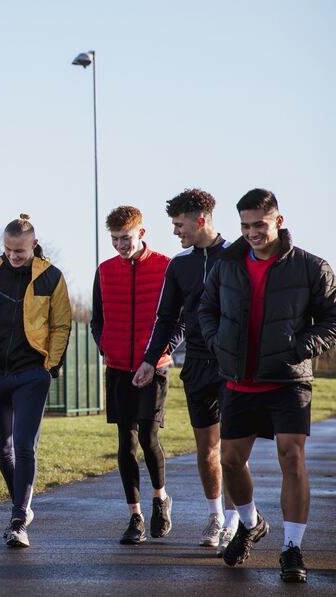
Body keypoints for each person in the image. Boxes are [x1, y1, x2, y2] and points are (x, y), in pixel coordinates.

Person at [198, 189, 336, 582]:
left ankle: (292, 548)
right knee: (229, 461)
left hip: (288, 378)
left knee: (291, 457)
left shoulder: (311, 267)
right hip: (239, 377)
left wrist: (303, 346)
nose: (252, 232)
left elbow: (332, 318)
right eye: (245, 225)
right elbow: (206, 309)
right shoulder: (227, 264)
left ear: (278, 220)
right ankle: (251, 521)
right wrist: (216, 340)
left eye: (259, 224)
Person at [133, 189, 239, 554]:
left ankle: (237, 521)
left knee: (233, 452)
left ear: (201, 220)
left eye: (180, 225)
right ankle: (216, 517)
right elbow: (166, 319)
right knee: (208, 449)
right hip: (196, 366)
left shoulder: (239, 257)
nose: (176, 232)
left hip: (234, 365)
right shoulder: (179, 265)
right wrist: (150, 359)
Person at [0, 214, 72, 548]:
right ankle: (22, 503)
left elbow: (61, 325)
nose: (13, 256)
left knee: (24, 445)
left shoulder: (51, 277)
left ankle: (19, 518)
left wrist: (49, 367)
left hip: (30, 374)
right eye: (8, 250)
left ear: (33, 245)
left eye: (20, 251)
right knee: (3, 449)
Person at [91, 205, 180, 545]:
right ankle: (135, 516)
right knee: (125, 444)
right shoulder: (104, 270)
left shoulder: (165, 267)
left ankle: (160, 499)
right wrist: (105, 347)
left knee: (148, 439)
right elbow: (96, 320)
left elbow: (178, 321)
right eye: (114, 239)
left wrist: (157, 354)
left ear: (141, 233)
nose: (120, 245)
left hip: (153, 367)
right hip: (118, 369)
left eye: (125, 238)